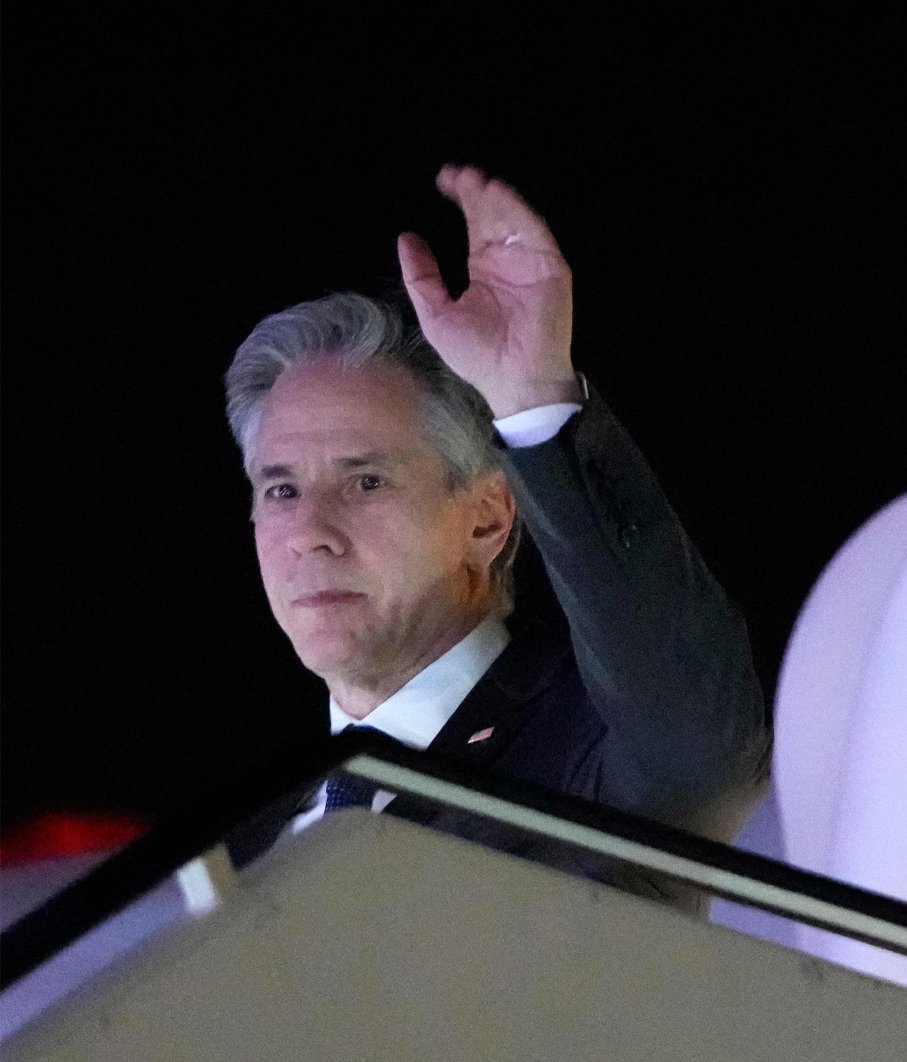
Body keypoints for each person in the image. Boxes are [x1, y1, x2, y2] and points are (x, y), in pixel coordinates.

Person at [221, 165, 771, 913]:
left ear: (486, 519)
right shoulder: (245, 846)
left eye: (366, 481)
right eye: (281, 488)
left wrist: (532, 396)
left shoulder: (588, 752)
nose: (310, 533)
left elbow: (698, 750)